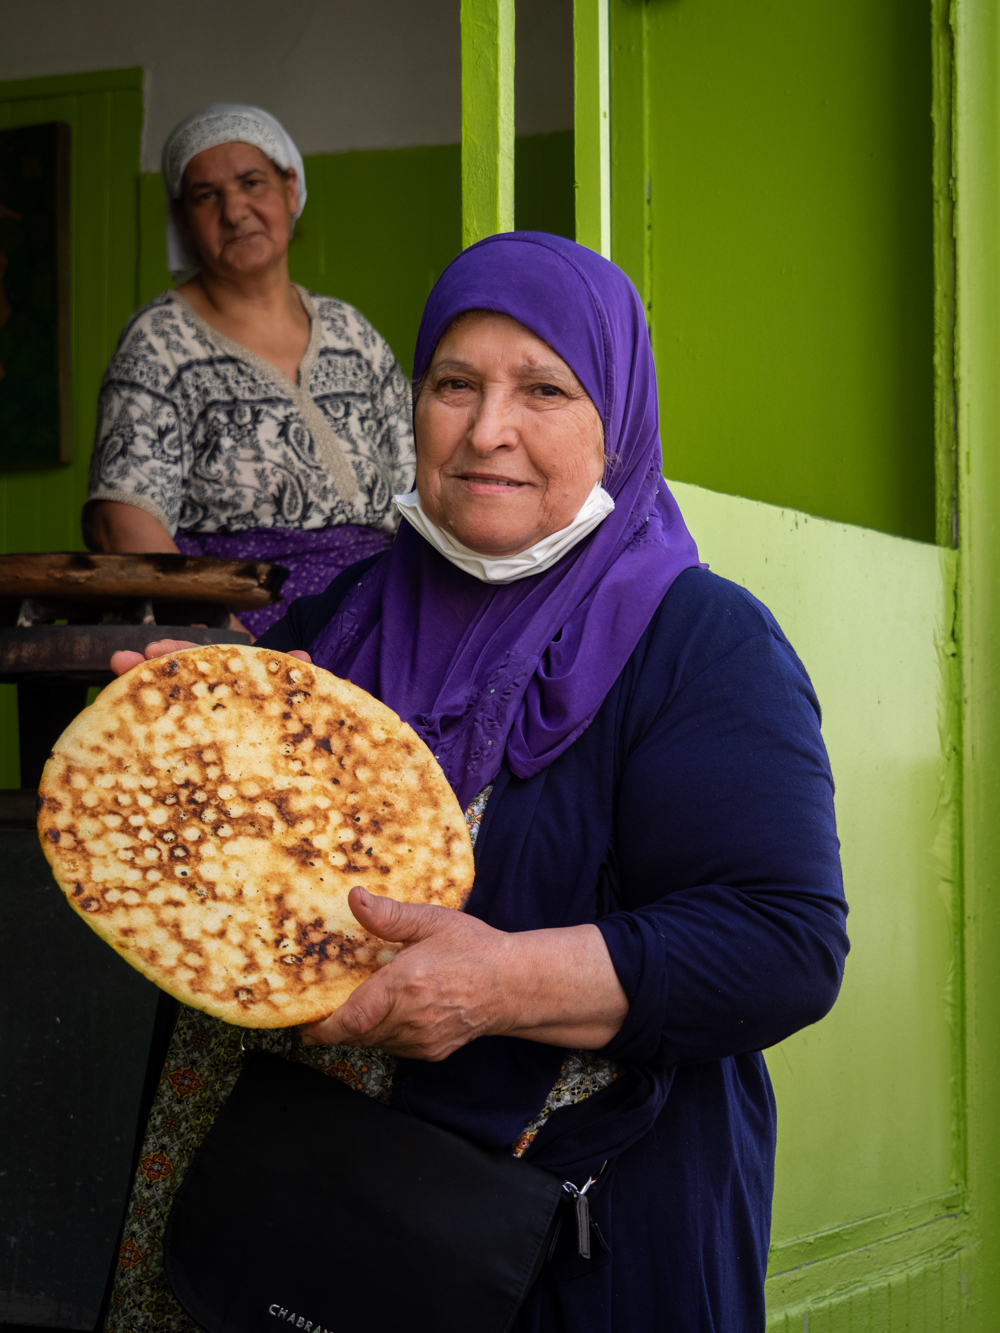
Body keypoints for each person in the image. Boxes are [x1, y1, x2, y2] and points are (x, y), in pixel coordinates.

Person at [105, 233, 848, 1332]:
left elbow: (782, 946)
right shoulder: (335, 624)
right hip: (301, 1221)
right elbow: (244, 919)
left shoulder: (698, 642)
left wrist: (499, 984)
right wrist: (195, 770)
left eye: (544, 388)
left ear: (620, 418)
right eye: (455, 383)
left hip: (560, 1245)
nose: (487, 428)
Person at [85, 104, 414, 637]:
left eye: (251, 182)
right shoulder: (159, 342)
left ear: (289, 189)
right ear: (182, 218)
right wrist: (223, 640)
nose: (234, 211)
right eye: (206, 195)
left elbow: (417, 484)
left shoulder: (352, 333)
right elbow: (123, 518)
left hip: (380, 617)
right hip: (233, 625)